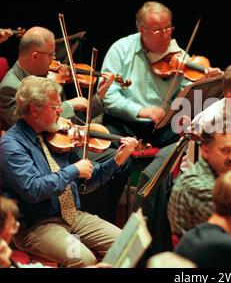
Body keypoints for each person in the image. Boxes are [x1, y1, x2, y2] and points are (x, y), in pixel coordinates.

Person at [0, 76, 139, 267]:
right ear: (34, 109)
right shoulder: (12, 146)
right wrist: (73, 170)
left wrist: (116, 161)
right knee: (84, 259)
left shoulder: (56, 134)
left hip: (72, 215)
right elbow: (33, 190)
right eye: (54, 107)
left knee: (126, 244)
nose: (60, 111)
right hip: (36, 225)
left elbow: (85, 183)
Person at [0, 26, 130, 224]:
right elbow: (23, 123)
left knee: (119, 158)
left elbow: (72, 122)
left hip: (60, 143)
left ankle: (101, 217)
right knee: (98, 164)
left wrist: (98, 97)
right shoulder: (11, 86)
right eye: (51, 55)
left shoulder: (48, 78)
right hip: (39, 151)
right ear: (35, 55)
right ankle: (76, 216)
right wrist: (69, 104)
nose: (56, 61)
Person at [100, 0, 222, 148]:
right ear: (142, 30)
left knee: (192, 140)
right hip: (123, 123)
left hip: (162, 127)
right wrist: (141, 111)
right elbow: (108, 96)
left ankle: (157, 170)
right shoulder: (120, 50)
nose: (166, 36)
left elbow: (186, 97)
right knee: (108, 144)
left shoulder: (179, 57)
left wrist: (203, 84)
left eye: (169, 28)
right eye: (158, 30)